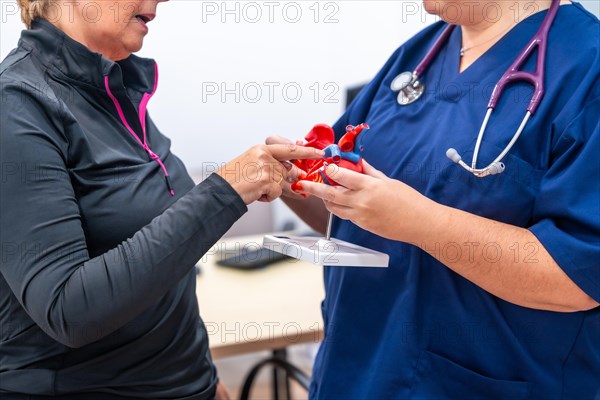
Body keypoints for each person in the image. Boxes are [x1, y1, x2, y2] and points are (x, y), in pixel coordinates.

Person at [268, 0, 600, 398]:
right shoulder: (419, 55)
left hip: (480, 381)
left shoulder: (586, 68)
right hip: (356, 369)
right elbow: (352, 211)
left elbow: (578, 275)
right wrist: (297, 181)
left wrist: (420, 223)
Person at [0, 0, 323, 398]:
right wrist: (225, 191)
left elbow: (158, 268)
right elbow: (69, 311)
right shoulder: (15, 105)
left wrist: (201, 372)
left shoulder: (111, 88)